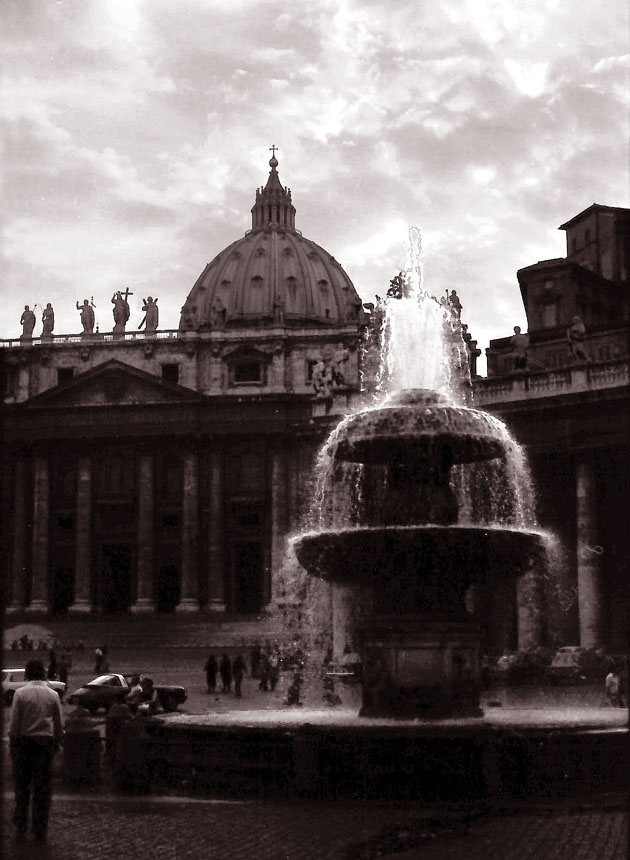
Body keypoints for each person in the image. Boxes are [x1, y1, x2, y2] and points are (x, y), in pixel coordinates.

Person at [9, 659, 64, 843]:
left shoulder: (20, 694)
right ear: (43, 673)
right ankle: (40, 828)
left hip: (24, 743)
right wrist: (56, 742)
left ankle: (21, 825)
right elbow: (58, 723)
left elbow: (15, 724)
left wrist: (14, 745)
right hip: (45, 744)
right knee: (42, 789)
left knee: (22, 787)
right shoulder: (53, 694)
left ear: (27, 674)